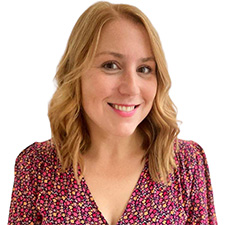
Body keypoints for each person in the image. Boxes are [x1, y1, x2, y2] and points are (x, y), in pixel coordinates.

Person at [8, 1, 217, 224]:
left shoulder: (186, 163)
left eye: (144, 69)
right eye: (111, 65)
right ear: (75, 73)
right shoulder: (37, 166)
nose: (131, 88)